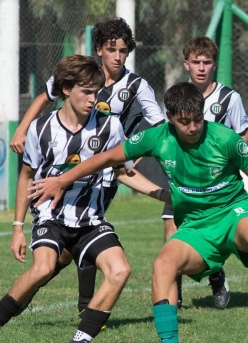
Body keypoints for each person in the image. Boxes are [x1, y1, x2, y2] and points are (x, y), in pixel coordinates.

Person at [30, 82, 248, 343]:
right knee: (163, 264)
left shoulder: (226, 139)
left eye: (197, 119)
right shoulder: (157, 137)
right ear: (170, 118)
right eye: (184, 122)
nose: (192, 127)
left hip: (233, 213)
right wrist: (62, 179)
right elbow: (106, 158)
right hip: (196, 227)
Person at [10, 17, 165, 317]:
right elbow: (44, 98)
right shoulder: (75, 79)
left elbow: (154, 132)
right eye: (112, 49)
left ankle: (85, 311)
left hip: (103, 178)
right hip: (58, 183)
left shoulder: (135, 87)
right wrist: (22, 129)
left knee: (89, 234)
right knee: (62, 253)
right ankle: (37, 294)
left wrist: (131, 160)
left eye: (124, 51)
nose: (118, 57)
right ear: (99, 50)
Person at [163, 36, 248, 309]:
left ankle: (216, 274)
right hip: (181, 181)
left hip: (216, 188)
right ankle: (173, 296)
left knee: (214, 233)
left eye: (207, 62)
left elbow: (244, 134)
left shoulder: (228, 98)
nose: (201, 67)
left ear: (214, 64)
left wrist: (224, 164)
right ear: (186, 64)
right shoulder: (178, 96)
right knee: (171, 230)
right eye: (196, 62)